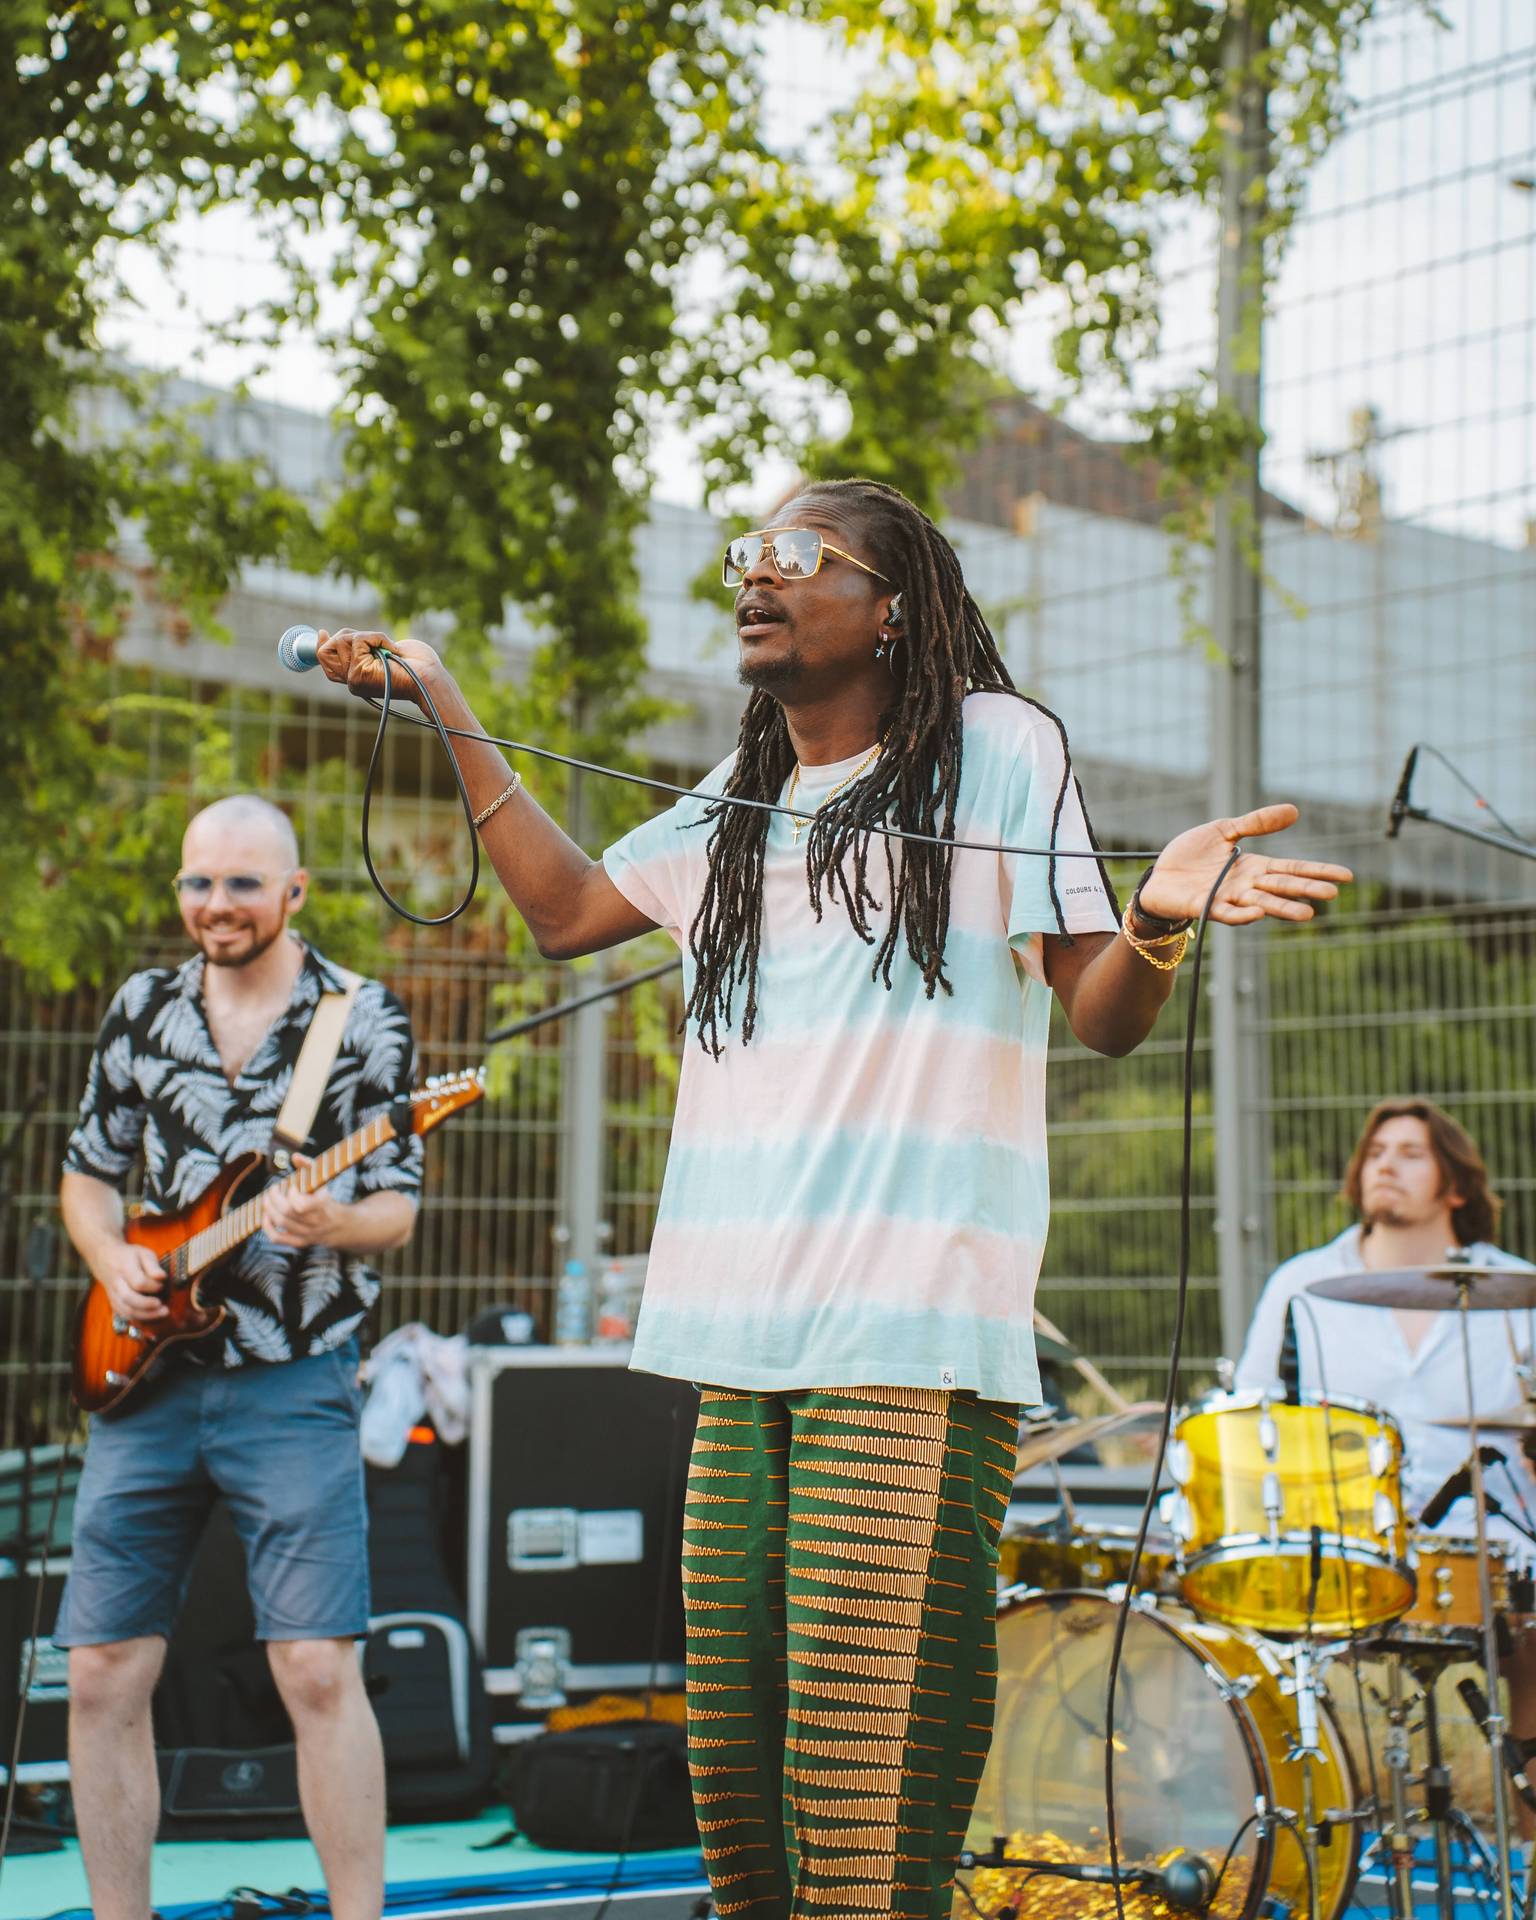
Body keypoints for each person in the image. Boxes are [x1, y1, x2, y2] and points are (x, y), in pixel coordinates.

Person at [315, 477, 1349, 1919]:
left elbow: (1101, 1010)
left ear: (894, 606)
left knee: (864, 1786)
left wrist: (1158, 915)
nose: (758, 575)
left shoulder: (997, 748)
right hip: (738, 1344)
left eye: (803, 556)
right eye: (749, 555)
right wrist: (443, 700)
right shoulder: (744, 798)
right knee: (740, 1792)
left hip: (910, 1334)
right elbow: (562, 917)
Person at [55, 795, 423, 1920]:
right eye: (198, 884)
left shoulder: (360, 1020)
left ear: (295, 891)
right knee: (102, 1671)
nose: (216, 906)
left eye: (243, 884)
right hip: (144, 1380)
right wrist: (113, 1259)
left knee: (317, 1670)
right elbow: (87, 1175)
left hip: (295, 1376)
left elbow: (396, 1210)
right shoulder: (140, 1007)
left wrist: (330, 1223)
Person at [1236, 1098, 1536, 1816]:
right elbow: (1249, 1419)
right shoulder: (1302, 1285)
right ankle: (1289, 1831)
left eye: (1409, 1153)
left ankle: (1528, 1833)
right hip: (1343, 1541)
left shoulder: (1518, 1290)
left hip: (1488, 1549)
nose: (1385, 1165)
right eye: (1375, 1153)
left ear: (1455, 1185)